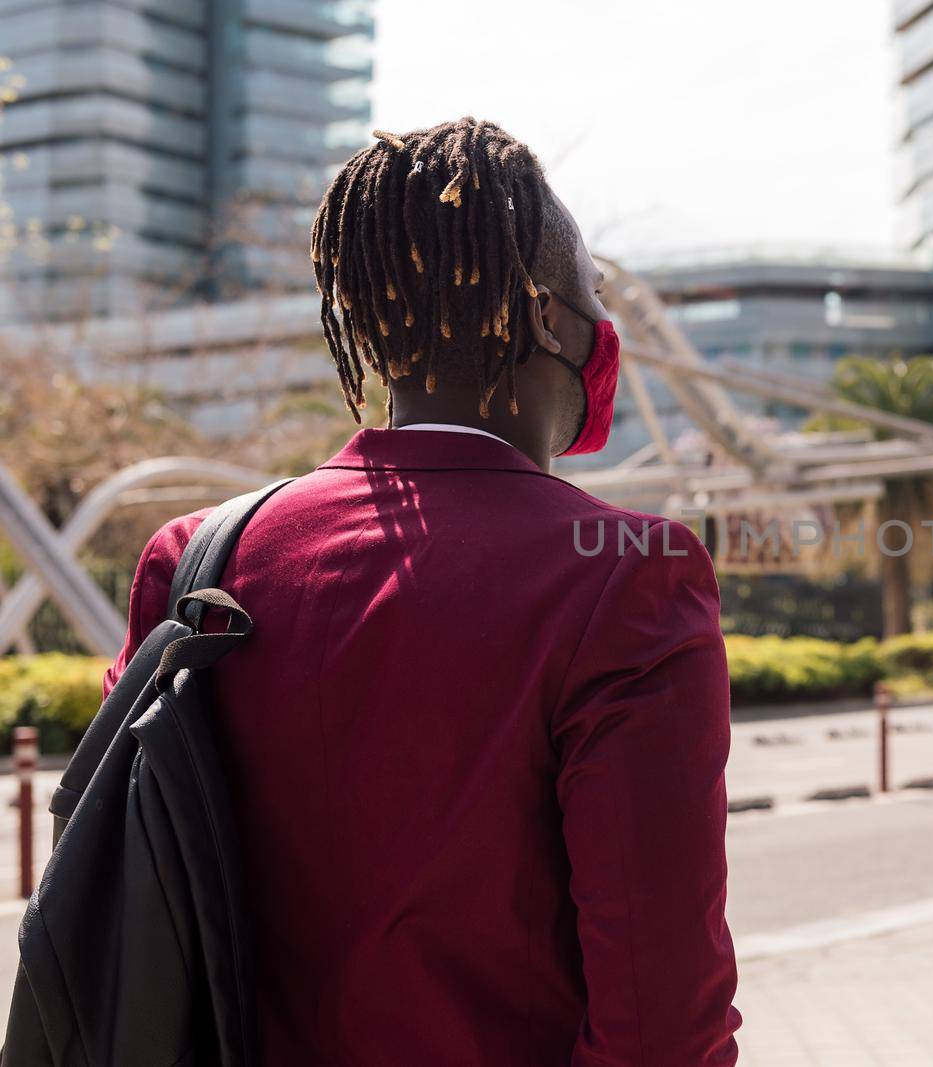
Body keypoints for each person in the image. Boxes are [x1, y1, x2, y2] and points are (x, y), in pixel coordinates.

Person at [102, 118, 741, 1064]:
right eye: (596, 296)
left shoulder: (197, 558)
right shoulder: (626, 573)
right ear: (549, 322)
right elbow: (661, 1027)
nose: (609, 327)